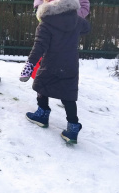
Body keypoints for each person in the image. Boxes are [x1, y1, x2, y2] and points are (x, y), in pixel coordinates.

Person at [19, 0, 91, 144]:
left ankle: (42, 113)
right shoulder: (76, 20)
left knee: (42, 85)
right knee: (68, 95)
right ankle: (72, 127)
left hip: (50, 63)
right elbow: (87, 28)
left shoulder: (46, 23)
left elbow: (39, 46)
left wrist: (29, 66)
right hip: (70, 65)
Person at [31, 0, 90, 79]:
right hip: (49, 20)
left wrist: (71, 17)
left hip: (69, 26)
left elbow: (84, 5)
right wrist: (40, 9)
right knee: (43, 53)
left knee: (65, 57)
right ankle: (43, 81)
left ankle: (62, 82)